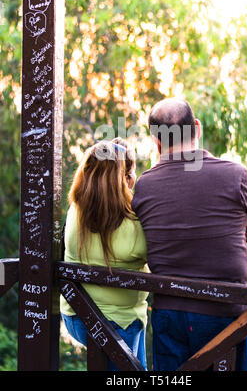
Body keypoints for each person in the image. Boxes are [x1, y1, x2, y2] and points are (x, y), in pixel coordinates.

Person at [132, 98, 247, 371]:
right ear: (196, 128)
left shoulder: (144, 185)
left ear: (157, 141)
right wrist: (243, 228)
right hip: (224, 314)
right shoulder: (236, 174)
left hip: (169, 312)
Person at [60, 138, 149, 371]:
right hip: (118, 323)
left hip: (75, 315)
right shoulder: (134, 227)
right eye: (130, 175)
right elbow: (163, 254)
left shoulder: (76, 210)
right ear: (122, 180)